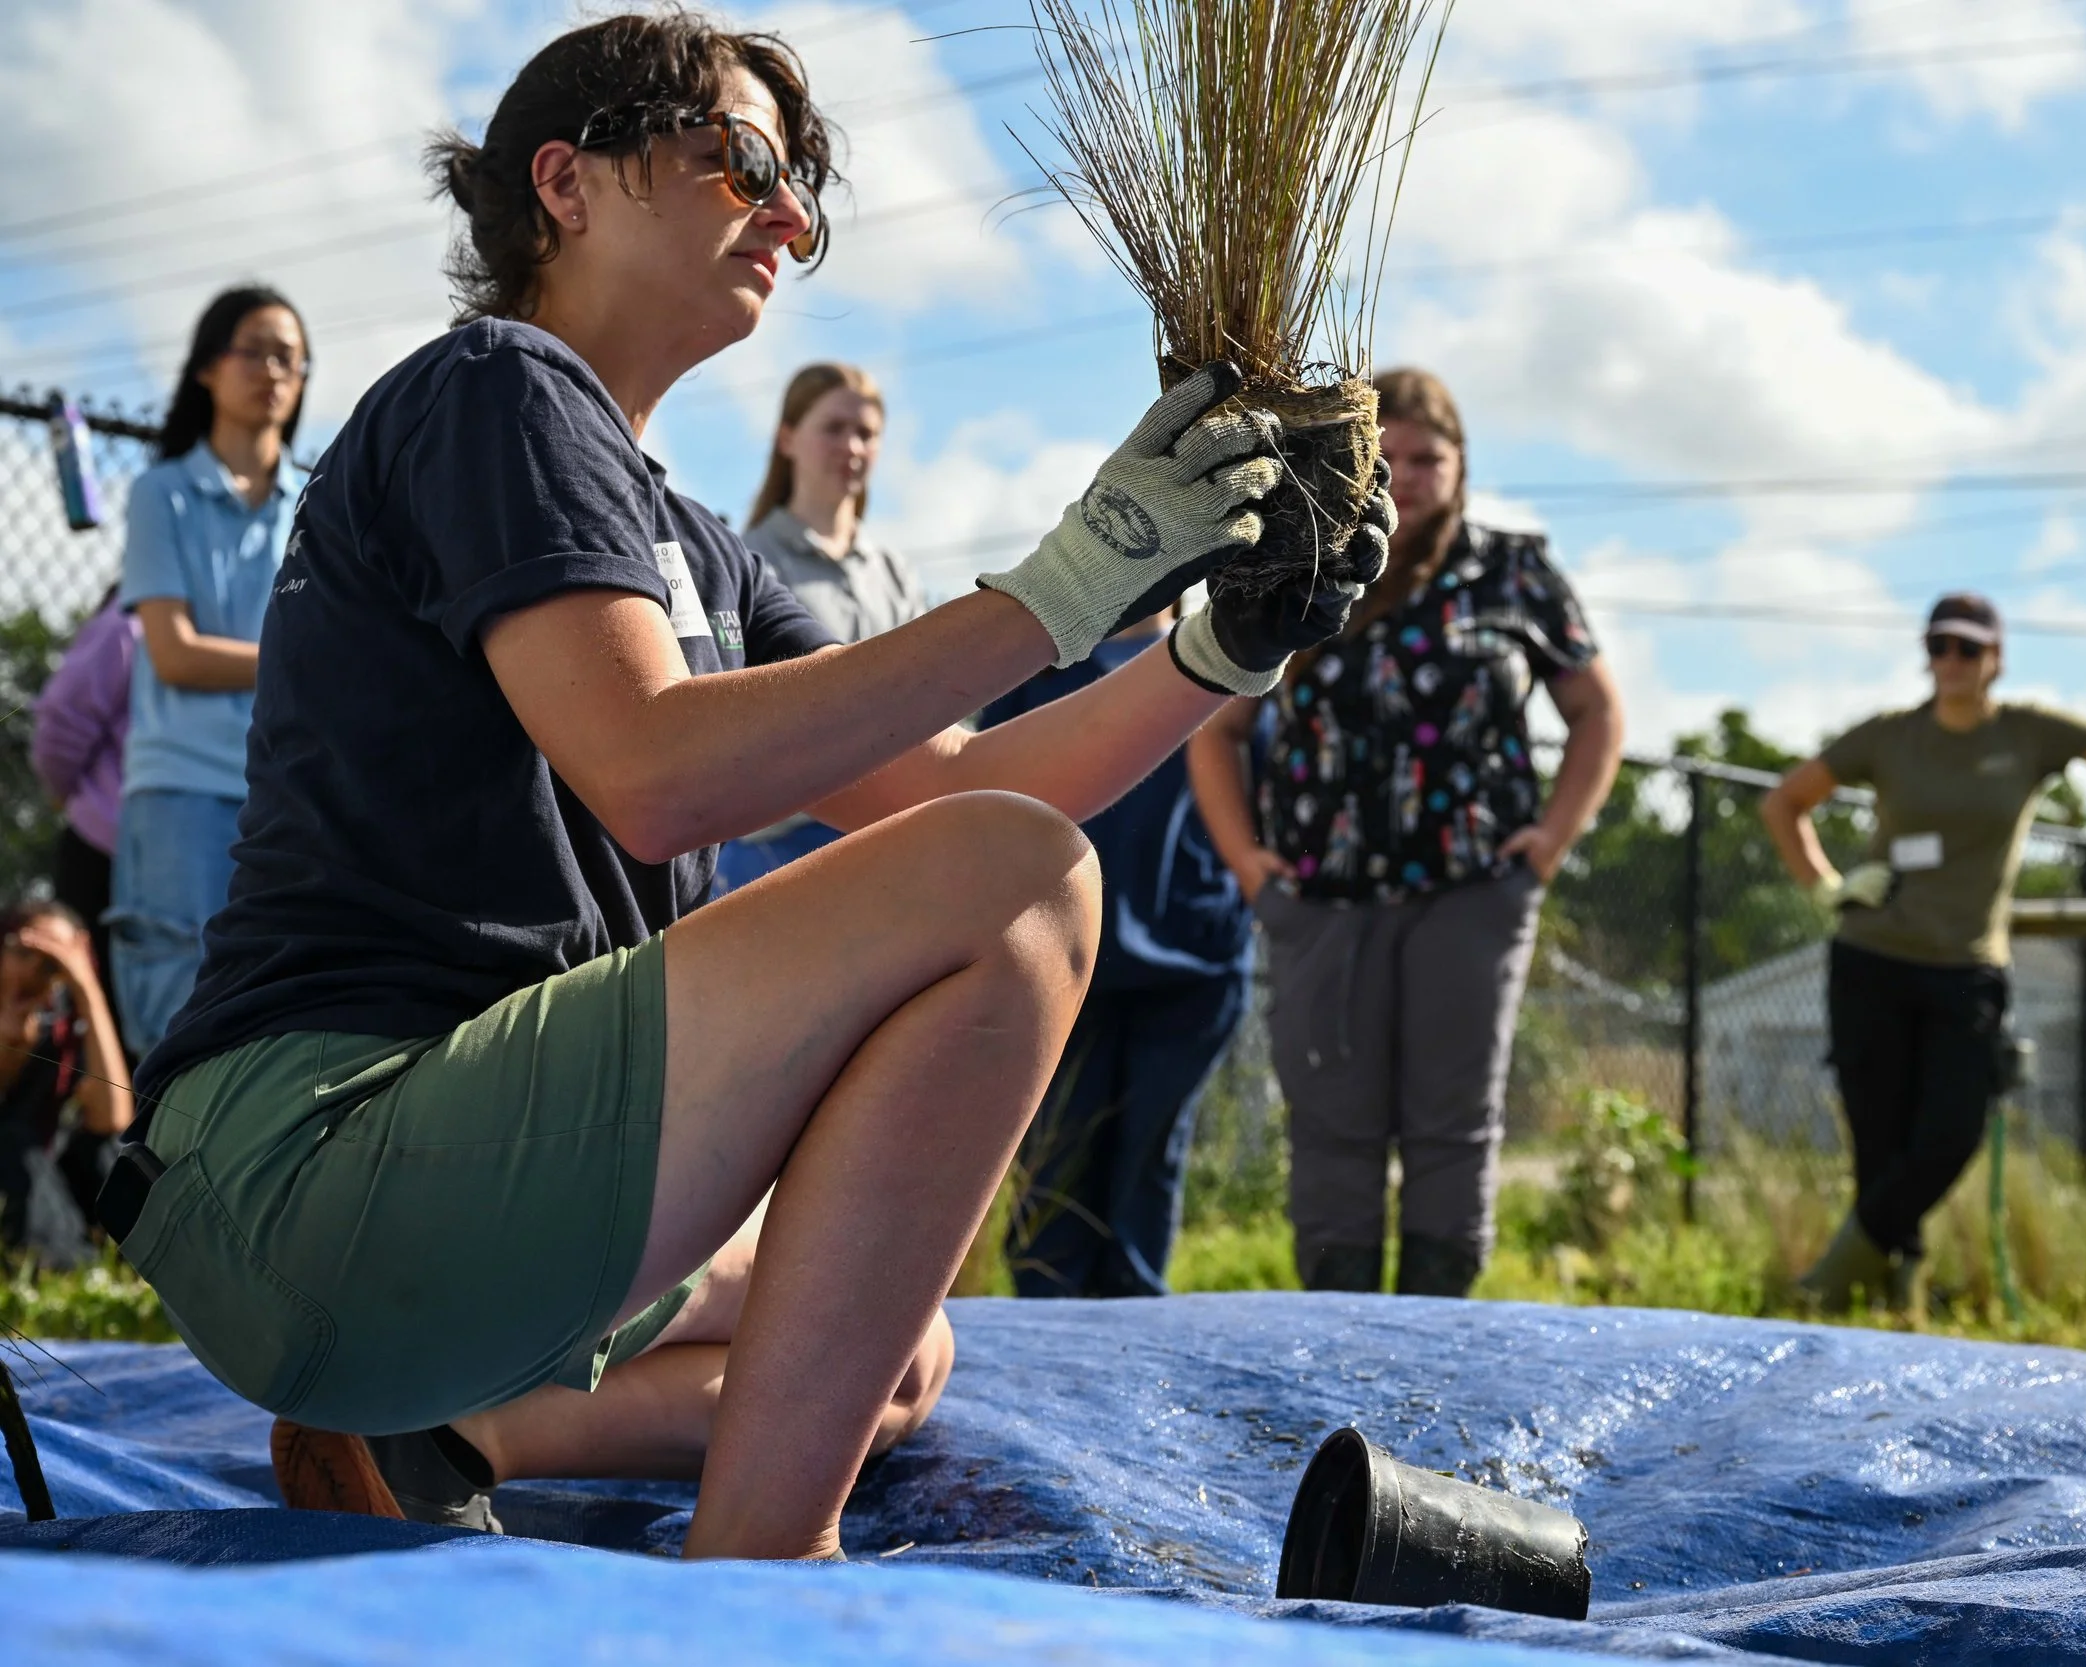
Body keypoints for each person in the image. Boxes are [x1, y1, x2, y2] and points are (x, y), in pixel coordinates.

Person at [105, 12, 1381, 1561]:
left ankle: (446, 1437)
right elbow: (654, 770)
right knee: (1023, 887)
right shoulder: (495, 390)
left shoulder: (699, 544)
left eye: (803, 196)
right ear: (566, 183)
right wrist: (1064, 586)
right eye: (745, 162)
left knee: (888, 1347)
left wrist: (1217, 652)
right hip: (323, 1159)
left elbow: (964, 780)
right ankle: (770, 1580)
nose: (786, 215)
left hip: (464, 1193)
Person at [1190, 367, 1626, 1300]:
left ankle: (1437, 1337)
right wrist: (1249, 865)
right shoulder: (1301, 565)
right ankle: (1339, 1339)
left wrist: (1548, 845)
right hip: (1320, 898)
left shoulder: (1512, 570)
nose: (1409, 474)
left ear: (1461, 465)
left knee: (1452, 1121)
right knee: (1331, 1125)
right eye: (1386, 454)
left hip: (1471, 891)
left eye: (1429, 456)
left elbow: (1597, 712)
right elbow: (1215, 727)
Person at [1760, 593, 2086, 1310]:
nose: (1952, 661)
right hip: (1871, 958)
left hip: (1966, 968)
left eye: (1968, 648)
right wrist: (1827, 886)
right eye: (1939, 646)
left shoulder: (2030, 734)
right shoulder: (1889, 737)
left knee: (1951, 1132)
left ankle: (1829, 1282)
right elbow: (1783, 802)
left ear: (1996, 658)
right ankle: (1893, 1298)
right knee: (1878, 1143)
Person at [985, 605, 1256, 1298]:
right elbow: (987, 800)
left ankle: (1135, 1334)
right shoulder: (1037, 672)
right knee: (1055, 1169)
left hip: (1192, 962)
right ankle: (1047, 1337)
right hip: (1062, 965)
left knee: (1148, 1166)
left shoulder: (1231, 654)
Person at [111, 285, 309, 1060]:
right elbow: (175, 653)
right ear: (206, 368)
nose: (273, 371)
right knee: (174, 1021)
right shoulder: (159, 493)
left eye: (289, 357)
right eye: (254, 351)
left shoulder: (318, 503)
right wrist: (298, 660)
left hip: (286, 791)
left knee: (273, 1014)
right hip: (181, 788)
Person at [715, 361, 922, 892]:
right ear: (787, 438)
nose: (851, 446)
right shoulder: (747, 561)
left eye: (866, 433)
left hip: (893, 838)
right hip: (777, 853)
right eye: (833, 428)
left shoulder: (893, 573)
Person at [0, 901, 133, 1266]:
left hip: (51, 1171)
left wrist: (87, 990)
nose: (37, 970)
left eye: (53, 962)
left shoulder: (68, 1025)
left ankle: (137, 1253)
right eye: (25, 952)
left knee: (109, 1151)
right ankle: (58, 1265)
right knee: (15, 1142)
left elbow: (113, 1119)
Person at [32, 584, 141, 1028]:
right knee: (86, 1009)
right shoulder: (130, 620)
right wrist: (75, 796)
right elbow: (62, 721)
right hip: (101, 850)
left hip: (165, 854)